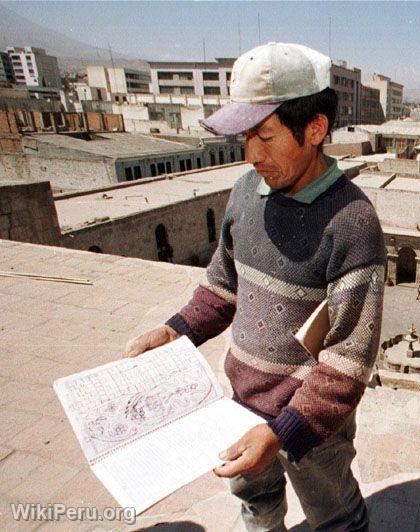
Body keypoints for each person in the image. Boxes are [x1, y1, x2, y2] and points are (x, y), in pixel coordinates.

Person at [124, 42, 385, 531]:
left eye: (265, 136)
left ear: (315, 128)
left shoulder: (352, 222)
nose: (251, 154)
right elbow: (222, 285)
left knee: (335, 515)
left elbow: (349, 356)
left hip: (312, 425)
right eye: (247, 136)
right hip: (241, 406)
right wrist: (176, 331)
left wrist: (284, 431)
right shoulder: (245, 193)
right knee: (256, 505)